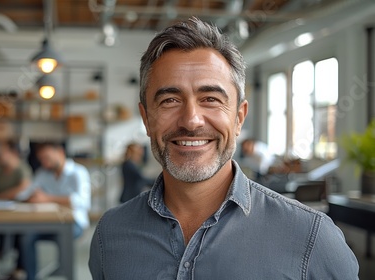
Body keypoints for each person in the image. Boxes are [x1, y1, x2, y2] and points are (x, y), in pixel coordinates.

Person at [89, 17, 358, 279]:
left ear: (239, 117)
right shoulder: (110, 235)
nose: (191, 120)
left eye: (210, 99)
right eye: (170, 100)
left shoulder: (311, 239)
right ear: (146, 118)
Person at [17, 141, 91, 280]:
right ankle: (31, 277)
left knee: (62, 236)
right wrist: (31, 197)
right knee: (27, 235)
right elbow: (24, 194)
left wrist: (47, 198)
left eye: (47, 157)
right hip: (47, 222)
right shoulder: (43, 174)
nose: (45, 162)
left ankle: (65, 274)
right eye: (42, 160)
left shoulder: (78, 172)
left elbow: (82, 201)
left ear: (60, 153)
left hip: (73, 223)